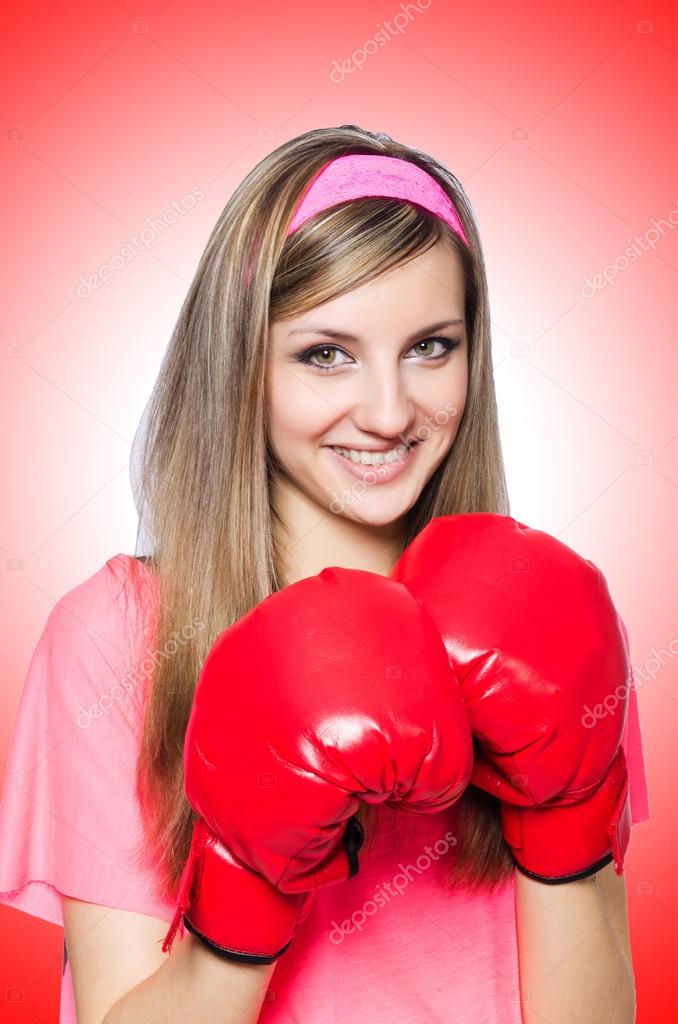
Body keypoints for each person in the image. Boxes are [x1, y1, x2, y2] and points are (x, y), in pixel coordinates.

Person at [0, 125, 650, 1024]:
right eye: (326, 354)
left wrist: (563, 818)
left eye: (431, 347)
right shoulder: (118, 637)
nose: (388, 411)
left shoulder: (549, 618)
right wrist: (243, 891)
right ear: (242, 365)